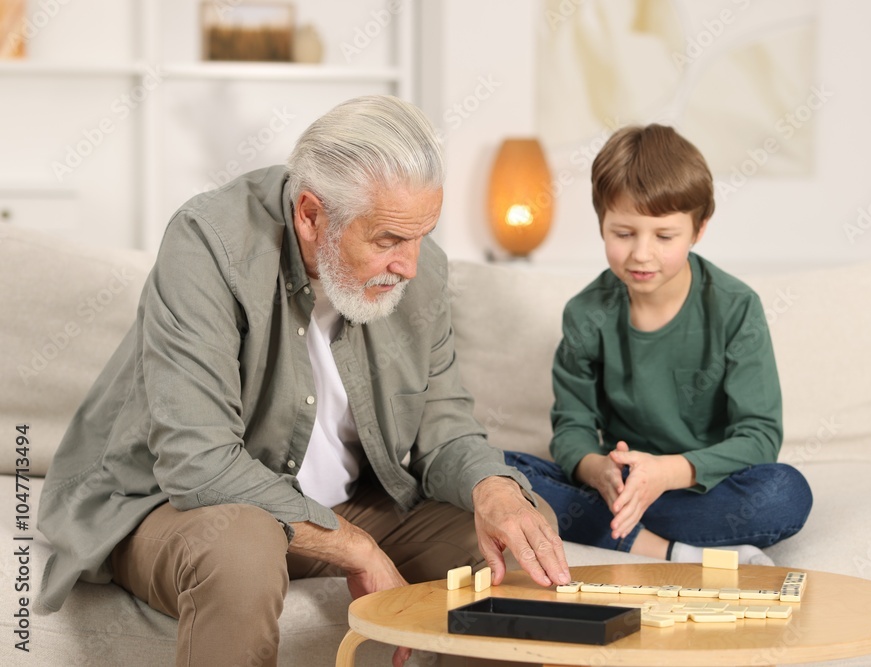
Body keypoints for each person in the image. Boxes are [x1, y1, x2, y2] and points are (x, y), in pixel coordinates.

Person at [37, 95, 570, 667]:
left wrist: (496, 491)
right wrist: (353, 546)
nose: (411, 266)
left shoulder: (421, 269)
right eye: (388, 240)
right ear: (311, 215)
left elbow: (444, 428)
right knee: (243, 550)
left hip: (351, 502)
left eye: (422, 235)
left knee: (512, 550)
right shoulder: (207, 244)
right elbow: (198, 461)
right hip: (180, 510)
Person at [505, 124, 812, 566]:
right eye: (623, 233)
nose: (641, 254)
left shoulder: (735, 307)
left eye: (664, 237)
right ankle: (673, 551)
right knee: (500, 471)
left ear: (698, 230)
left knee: (785, 493)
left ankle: (622, 530)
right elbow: (572, 427)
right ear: (601, 224)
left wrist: (667, 473)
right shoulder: (586, 313)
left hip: (703, 486)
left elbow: (760, 436)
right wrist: (598, 470)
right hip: (620, 487)